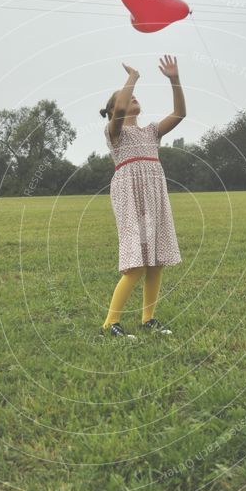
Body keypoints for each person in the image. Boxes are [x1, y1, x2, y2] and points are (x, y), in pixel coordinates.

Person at [98, 55, 186, 339]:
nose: (133, 99)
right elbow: (121, 106)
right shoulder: (115, 132)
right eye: (127, 98)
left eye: (136, 96)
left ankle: (149, 319)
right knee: (135, 263)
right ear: (113, 110)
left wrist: (174, 80)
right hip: (129, 195)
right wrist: (132, 77)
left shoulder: (150, 132)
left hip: (154, 194)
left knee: (156, 260)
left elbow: (180, 113)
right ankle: (110, 322)